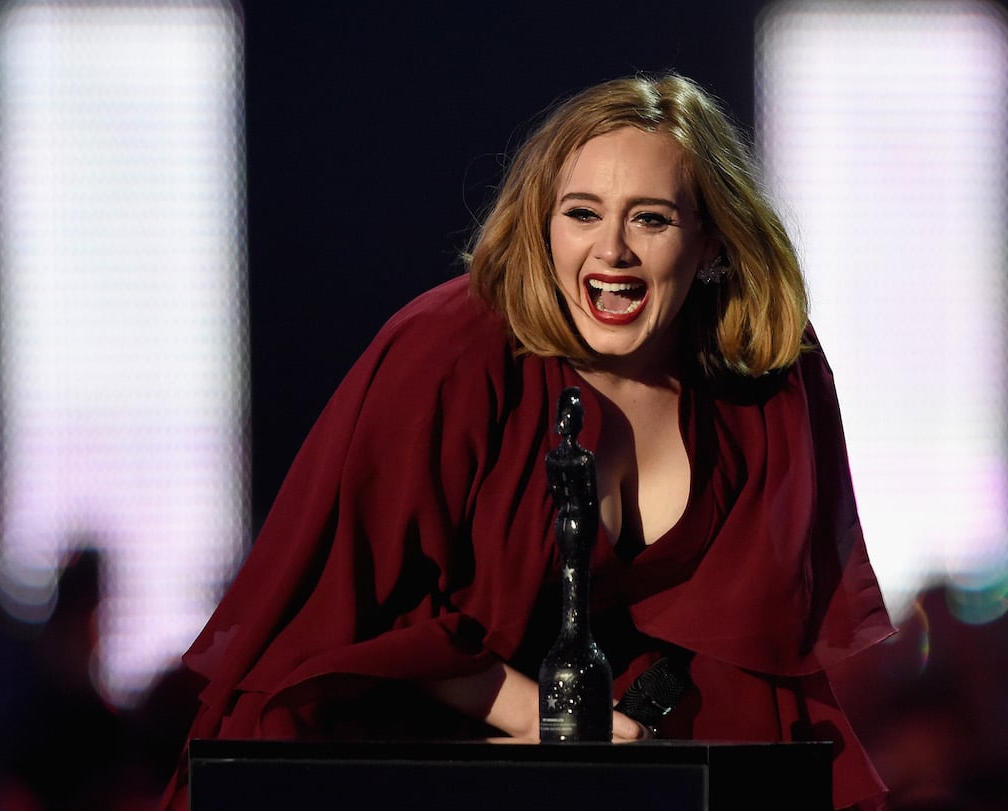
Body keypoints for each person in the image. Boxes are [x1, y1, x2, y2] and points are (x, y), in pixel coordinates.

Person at [157, 71, 896, 811]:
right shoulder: (447, 353)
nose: (612, 250)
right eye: (582, 213)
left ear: (710, 243)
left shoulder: (763, 377)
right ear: (545, 228)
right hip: (397, 763)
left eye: (651, 219)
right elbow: (353, 612)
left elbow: (756, 646)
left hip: (641, 766)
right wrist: (552, 720)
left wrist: (621, 744)